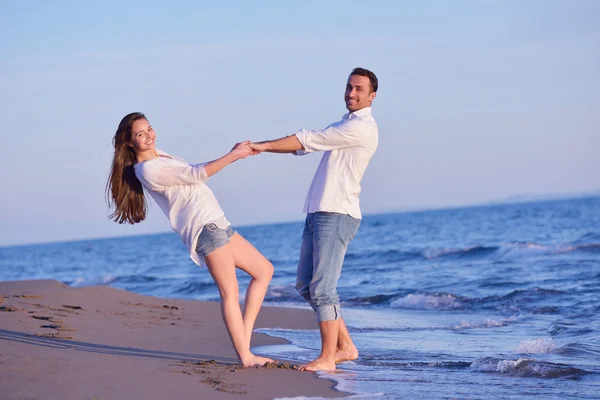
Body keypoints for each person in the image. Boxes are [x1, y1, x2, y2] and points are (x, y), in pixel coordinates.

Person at [106, 112, 274, 368]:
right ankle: (245, 356)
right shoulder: (148, 170)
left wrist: (230, 153)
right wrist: (233, 156)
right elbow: (197, 174)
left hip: (219, 223)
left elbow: (191, 171)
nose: (149, 136)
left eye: (149, 129)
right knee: (230, 293)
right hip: (204, 228)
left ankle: (245, 339)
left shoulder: (160, 156)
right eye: (141, 134)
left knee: (264, 270)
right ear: (129, 142)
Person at [249, 67, 379, 372]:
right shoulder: (345, 124)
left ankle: (327, 358)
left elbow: (310, 139)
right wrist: (270, 147)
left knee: (323, 288)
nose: (351, 93)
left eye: (359, 89)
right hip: (319, 211)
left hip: (336, 214)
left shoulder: (362, 127)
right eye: (349, 87)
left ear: (372, 96)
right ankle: (345, 346)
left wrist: (263, 146)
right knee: (307, 287)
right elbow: (307, 146)